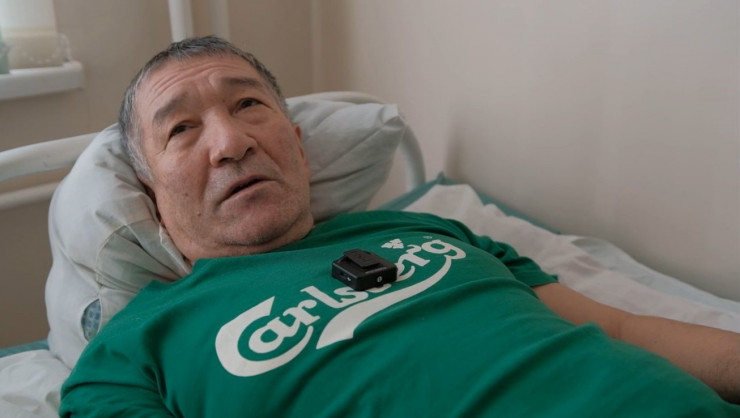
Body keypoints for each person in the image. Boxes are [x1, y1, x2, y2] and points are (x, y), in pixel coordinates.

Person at [60, 36, 740, 417]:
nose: (231, 142)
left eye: (248, 106)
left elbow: (620, 328)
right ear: (151, 196)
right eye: (181, 128)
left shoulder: (431, 231)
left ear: (298, 147)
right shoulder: (131, 350)